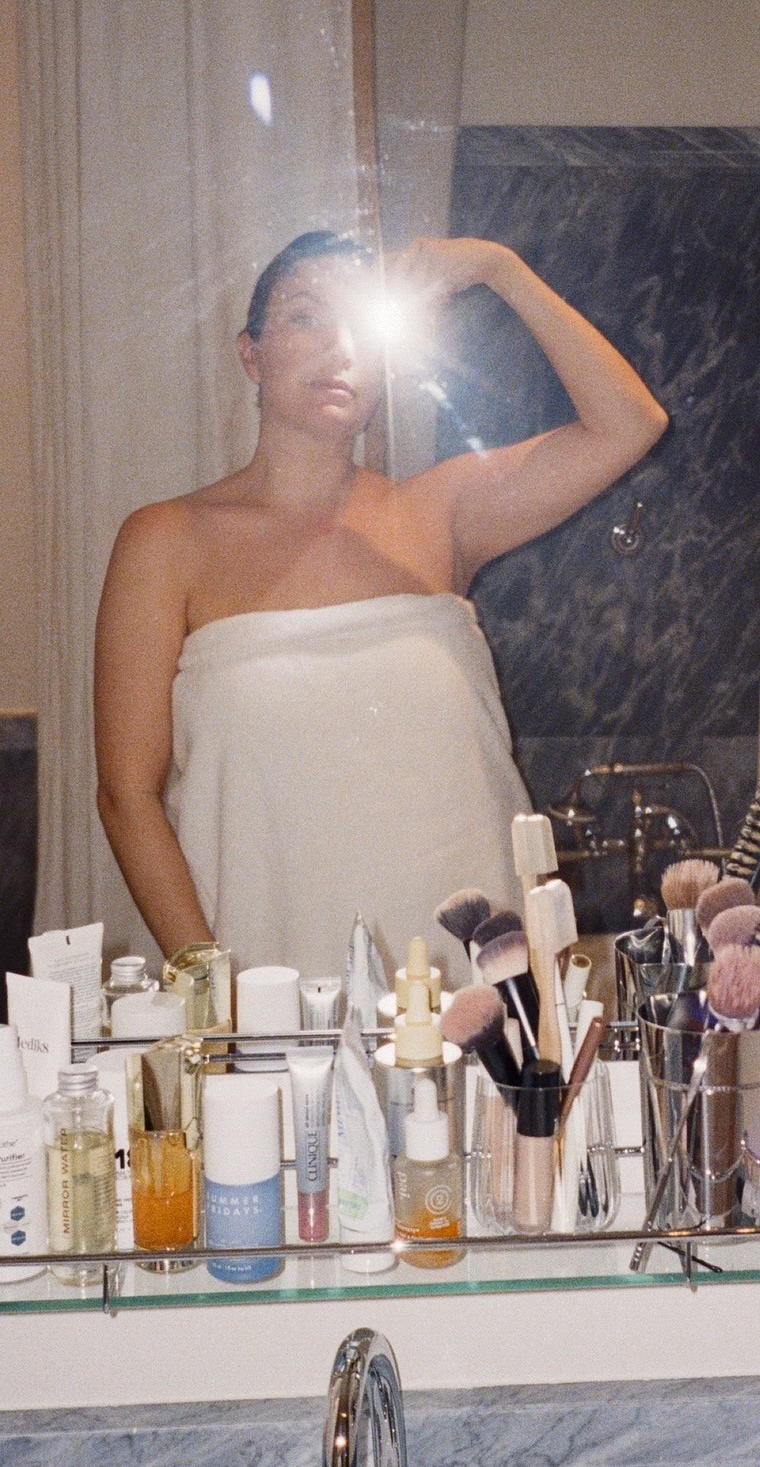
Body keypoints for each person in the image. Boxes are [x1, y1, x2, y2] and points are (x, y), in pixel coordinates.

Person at [94, 231, 667, 980]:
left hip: (480, 988)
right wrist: (215, 992)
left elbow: (632, 423)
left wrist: (499, 269)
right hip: (276, 995)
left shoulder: (439, 515)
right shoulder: (167, 540)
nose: (341, 349)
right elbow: (127, 796)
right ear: (250, 355)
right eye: (307, 317)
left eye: (364, 327)